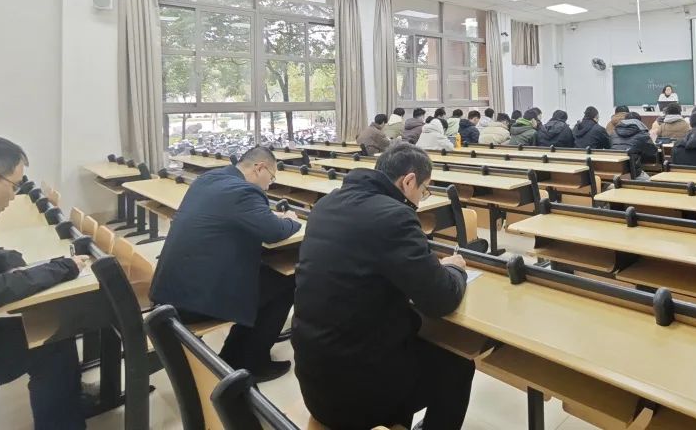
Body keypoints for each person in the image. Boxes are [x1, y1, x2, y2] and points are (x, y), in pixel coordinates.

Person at [293, 143, 473, 429]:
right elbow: (441, 299)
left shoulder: (327, 204)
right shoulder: (394, 216)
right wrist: (454, 268)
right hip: (357, 393)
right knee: (458, 363)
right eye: (424, 190)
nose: (421, 199)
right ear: (409, 181)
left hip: (314, 376)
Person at [0, 138, 89, 430]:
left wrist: (26, 264)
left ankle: (68, 402)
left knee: (50, 329)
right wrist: (60, 269)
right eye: (14, 186)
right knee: (51, 341)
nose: (14, 196)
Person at [150, 146, 302, 381]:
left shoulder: (210, 179)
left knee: (265, 277)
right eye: (271, 178)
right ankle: (250, 363)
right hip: (194, 300)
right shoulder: (244, 192)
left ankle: (236, 355)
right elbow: (274, 232)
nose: (269, 186)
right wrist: (291, 219)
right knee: (286, 283)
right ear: (259, 168)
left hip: (171, 287)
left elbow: (240, 216)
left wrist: (268, 217)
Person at [610, 112, 657, 178]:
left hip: (614, 170)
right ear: (639, 122)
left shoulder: (614, 133)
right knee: (652, 181)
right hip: (633, 172)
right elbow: (652, 156)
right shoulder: (642, 134)